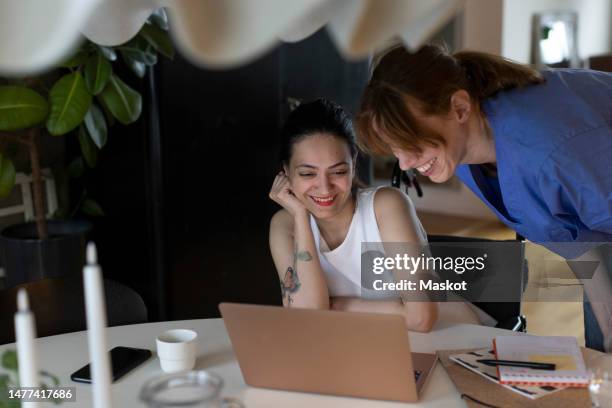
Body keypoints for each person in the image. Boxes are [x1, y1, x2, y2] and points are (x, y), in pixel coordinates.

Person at [356, 44, 612, 350]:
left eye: (413, 143)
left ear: (460, 108)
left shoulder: (552, 151)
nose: (405, 163)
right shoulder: (465, 152)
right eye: (395, 147)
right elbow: (578, 239)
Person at [268, 98, 449, 332]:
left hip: (443, 338)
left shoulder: (386, 206)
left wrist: (339, 306)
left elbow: (422, 318)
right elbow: (307, 317)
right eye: (307, 174)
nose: (324, 188)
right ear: (286, 172)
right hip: (355, 346)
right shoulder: (285, 225)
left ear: (354, 163)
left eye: (338, 171)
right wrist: (301, 217)